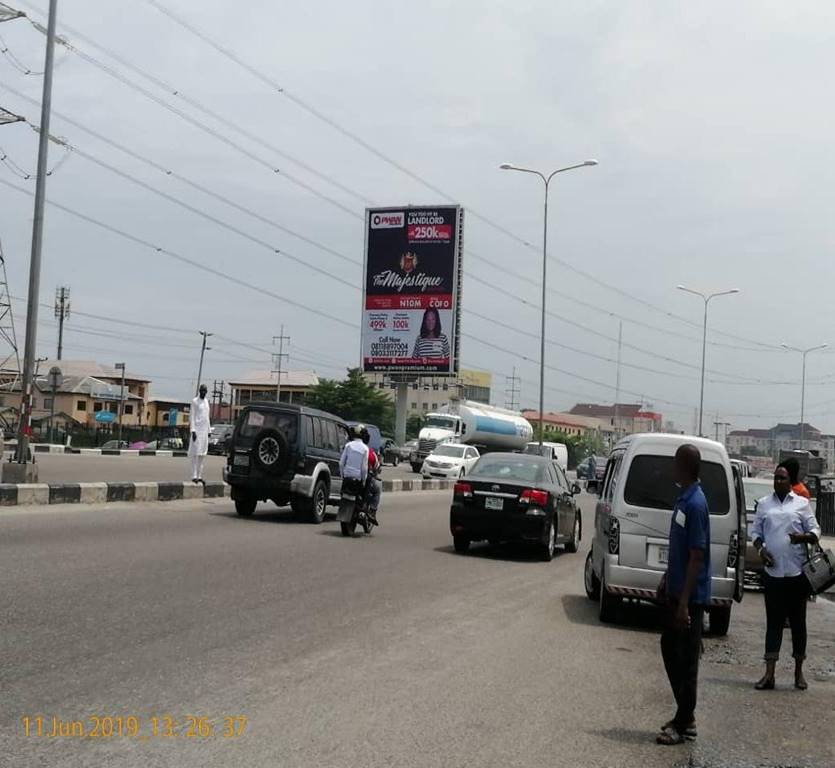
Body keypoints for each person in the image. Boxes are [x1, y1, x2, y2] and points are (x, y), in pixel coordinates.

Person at [656, 444, 711, 746]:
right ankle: (684, 714)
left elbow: (696, 555)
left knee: (687, 661)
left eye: (675, 463)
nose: (672, 469)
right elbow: (679, 550)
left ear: (686, 467)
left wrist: (685, 603)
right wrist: (667, 578)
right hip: (676, 590)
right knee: (669, 648)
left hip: (691, 597)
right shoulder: (683, 497)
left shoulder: (696, 503)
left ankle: (684, 722)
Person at [751, 464, 820, 691]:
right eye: (776, 478)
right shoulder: (764, 504)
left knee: (798, 624)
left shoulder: (801, 504)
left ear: (790, 481)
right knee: (774, 623)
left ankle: (799, 673)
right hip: (773, 574)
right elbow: (756, 534)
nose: (778, 481)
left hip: (796, 574)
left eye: (783, 478)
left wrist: (803, 537)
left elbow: (816, 530)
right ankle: (769, 674)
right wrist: (762, 551)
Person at [188, 384, 211, 485]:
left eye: (205, 391)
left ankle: (199, 476)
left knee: (202, 454)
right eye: (202, 391)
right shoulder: (194, 401)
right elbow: (192, 416)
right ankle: (194, 476)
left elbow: (207, 417)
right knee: (195, 454)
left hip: (204, 431)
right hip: (196, 430)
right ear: (199, 391)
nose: (203, 393)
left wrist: (209, 431)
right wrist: (192, 430)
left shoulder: (206, 402)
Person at [339, 425, 369, 494]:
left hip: (346, 477)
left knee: (342, 495)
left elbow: (341, 463)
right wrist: (364, 480)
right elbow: (364, 468)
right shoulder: (365, 449)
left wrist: (342, 476)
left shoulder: (348, 445)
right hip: (357, 479)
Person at [360, 427, 381, 526]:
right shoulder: (369, 452)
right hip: (365, 478)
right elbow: (376, 466)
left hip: (349, 478)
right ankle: (372, 512)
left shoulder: (349, 447)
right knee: (377, 490)